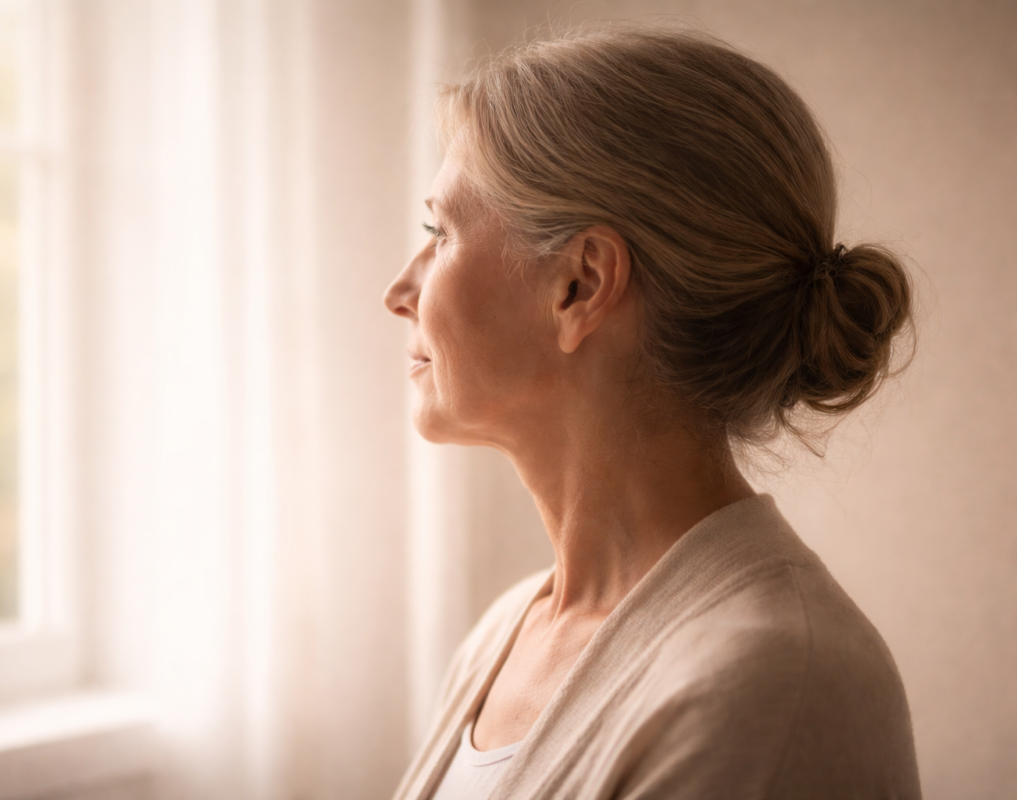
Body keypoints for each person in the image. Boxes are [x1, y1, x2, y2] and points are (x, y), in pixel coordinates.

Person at [382, 26, 921, 800]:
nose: (399, 291)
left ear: (580, 284)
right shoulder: (504, 635)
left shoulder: (773, 683)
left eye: (440, 232)